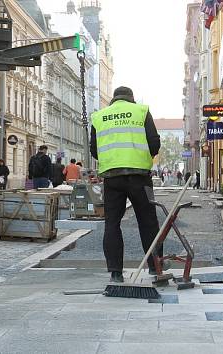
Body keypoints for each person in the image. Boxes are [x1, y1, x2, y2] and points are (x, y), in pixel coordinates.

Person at [90, 86, 162, 283]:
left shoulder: (99, 116)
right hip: (140, 176)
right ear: (131, 98)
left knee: (112, 223)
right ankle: (155, 268)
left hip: (112, 178)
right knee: (148, 221)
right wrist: (143, 157)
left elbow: (94, 150)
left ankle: (115, 273)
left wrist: (113, 159)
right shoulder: (141, 111)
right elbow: (154, 142)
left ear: (113, 99)